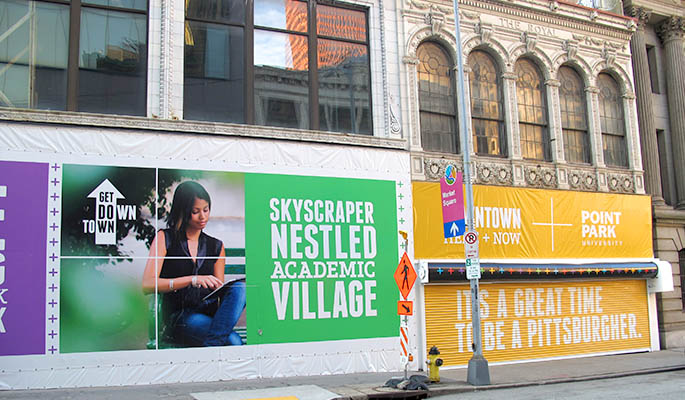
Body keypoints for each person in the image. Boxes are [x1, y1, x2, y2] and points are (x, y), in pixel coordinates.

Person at [143, 181, 245, 346]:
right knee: (233, 341)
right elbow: (147, 284)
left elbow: (217, 291)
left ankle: (210, 347)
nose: (203, 216)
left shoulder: (216, 246)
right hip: (180, 318)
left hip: (210, 316)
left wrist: (225, 290)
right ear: (183, 211)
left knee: (241, 288)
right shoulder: (165, 238)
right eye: (195, 211)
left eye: (206, 210)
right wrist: (192, 279)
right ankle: (213, 348)